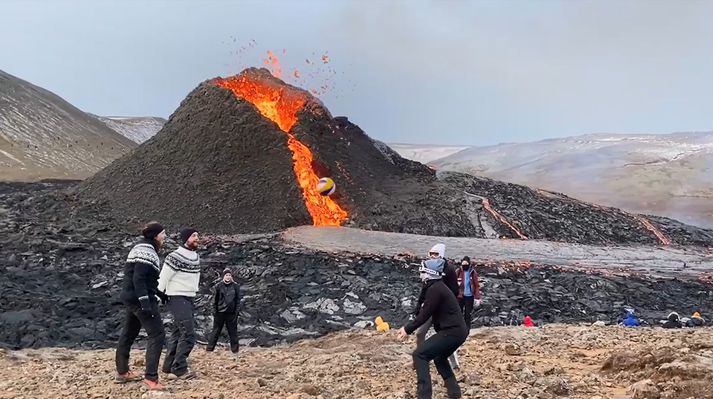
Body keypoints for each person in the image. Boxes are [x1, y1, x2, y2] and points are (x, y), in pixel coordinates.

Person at [398, 252, 468, 399]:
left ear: (429, 274)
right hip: (458, 332)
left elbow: (425, 314)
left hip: (452, 332)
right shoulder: (437, 287)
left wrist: (407, 329)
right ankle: (454, 393)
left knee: (420, 354)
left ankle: (424, 395)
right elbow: (425, 310)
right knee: (439, 358)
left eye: (422, 272)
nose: (420, 275)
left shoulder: (435, 289)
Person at [115, 222, 167, 391]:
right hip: (139, 299)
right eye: (163, 233)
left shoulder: (141, 247)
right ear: (155, 236)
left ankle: (122, 372)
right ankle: (151, 379)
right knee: (157, 334)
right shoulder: (147, 250)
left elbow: (146, 279)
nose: (165, 236)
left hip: (131, 297)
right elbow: (138, 278)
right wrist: (146, 303)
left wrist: (160, 294)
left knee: (129, 333)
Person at [158, 228, 201, 379]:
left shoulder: (195, 256)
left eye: (197, 235)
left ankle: (169, 365)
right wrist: (158, 296)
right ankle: (180, 368)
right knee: (188, 334)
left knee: (177, 333)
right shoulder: (174, 256)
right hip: (177, 297)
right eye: (193, 236)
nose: (197, 238)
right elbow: (164, 277)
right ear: (185, 239)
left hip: (189, 298)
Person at [414, 244, 460, 369]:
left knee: (444, 336)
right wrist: (419, 306)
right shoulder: (427, 267)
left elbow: (455, 290)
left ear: (442, 254)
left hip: (442, 311)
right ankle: (420, 359)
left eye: (436, 254)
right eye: (431, 253)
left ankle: (454, 362)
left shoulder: (449, 269)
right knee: (420, 333)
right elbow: (425, 287)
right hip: (430, 308)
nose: (433, 256)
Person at [207, 268, 241, 355]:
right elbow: (215, 299)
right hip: (220, 313)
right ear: (223, 276)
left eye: (229, 275)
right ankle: (210, 349)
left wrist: (236, 312)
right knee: (216, 331)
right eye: (226, 275)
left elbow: (238, 300)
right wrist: (215, 311)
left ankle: (235, 350)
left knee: (233, 332)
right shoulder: (218, 286)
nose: (228, 277)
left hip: (231, 313)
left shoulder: (235, 286)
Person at [456, 257, 481, 331]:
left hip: (469, 296)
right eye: (463, 264)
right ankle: (459, 327)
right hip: (460, 296)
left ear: (469, 264)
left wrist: (477, 297)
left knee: (468, 313)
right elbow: (453, 283)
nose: (464, 266)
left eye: (466, 264)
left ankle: (467, 328)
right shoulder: (458, 271)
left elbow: (476, 285)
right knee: (459, 312)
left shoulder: (473, 272)